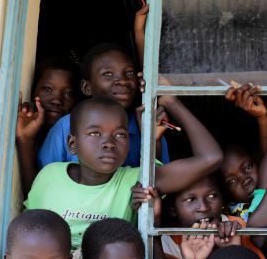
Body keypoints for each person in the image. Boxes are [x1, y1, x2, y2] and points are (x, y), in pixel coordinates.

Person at [25, 95, 223, 259]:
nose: (109, 143)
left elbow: (211, 157)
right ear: (72, 144)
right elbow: (29, 233)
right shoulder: (49, 176)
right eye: (95, 133)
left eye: (120, 134)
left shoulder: (137, 181)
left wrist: (172, 102)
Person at [37, 42, 171, 171]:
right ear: (87, 87)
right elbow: (44, 181)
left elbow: (162, 180)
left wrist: (152, 140)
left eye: (129, 73)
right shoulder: (66, 126)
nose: (123, 80)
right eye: (108, 74)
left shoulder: (149, 125)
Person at [148, 174, 267, 259]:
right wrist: (155, 225)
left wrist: (232, 252)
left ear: (223, 201)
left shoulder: (237, 228)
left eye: (212, 196)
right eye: (190, 199)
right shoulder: (170, 237)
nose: (204, 207)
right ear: (172, 209)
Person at [15, 56, 79, 196]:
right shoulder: (28, 127)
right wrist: (25, 140)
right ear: (33, 91)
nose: (57, 100)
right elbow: (36, 198)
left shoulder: (76, 136)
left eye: (68, 93)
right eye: (48, 89)